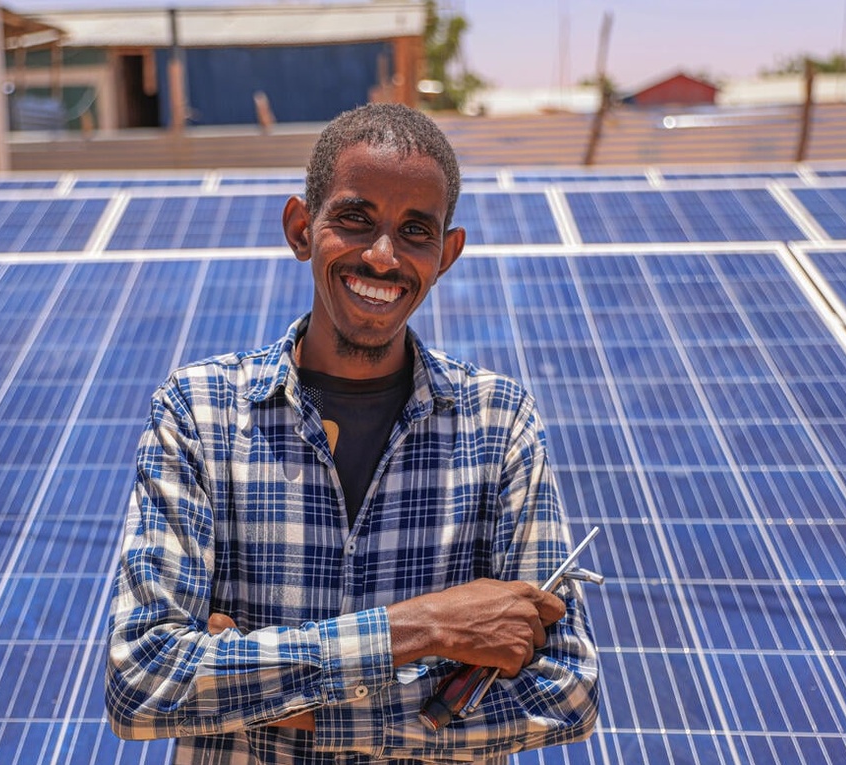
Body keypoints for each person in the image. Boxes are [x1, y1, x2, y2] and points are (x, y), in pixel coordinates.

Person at [105, 102, 599, 764]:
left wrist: (262, 687)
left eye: (415, 230)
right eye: (355, 219)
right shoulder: (201, 413)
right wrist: (422, 630)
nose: (383, 255)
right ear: (301, 228)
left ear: (447, 253)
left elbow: (565, 692)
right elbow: (142, 681)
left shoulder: (499, 423)